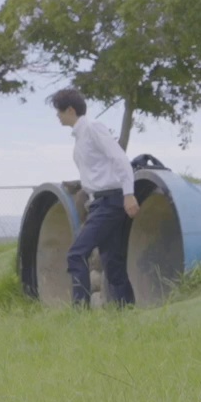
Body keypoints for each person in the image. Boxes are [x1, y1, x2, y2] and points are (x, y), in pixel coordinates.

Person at [52, 88, 138, 308]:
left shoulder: (93, 128)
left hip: (110, 202)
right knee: (113, 262)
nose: (57, 116)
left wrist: (129, 194)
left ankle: (80, 311)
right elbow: (98, 172)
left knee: (76, 254)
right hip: (99, 202)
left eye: (59, 111)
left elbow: (120, 159)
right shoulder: (79, 138)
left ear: (70, 110)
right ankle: (127, 312)